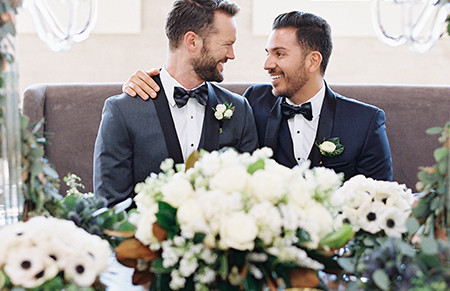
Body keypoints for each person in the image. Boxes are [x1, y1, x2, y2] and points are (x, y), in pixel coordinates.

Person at [122, 10, 393, 181]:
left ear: (313, 61)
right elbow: (193, 86)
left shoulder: (365, 121)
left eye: (280, 54)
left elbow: (379, 203)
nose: (267, 65)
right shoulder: (252, 103)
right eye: (268, 53)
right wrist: (150, 80)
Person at [94, 0, 259, 206]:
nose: (231, 55)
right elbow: (110, 204)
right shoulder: (123, 112)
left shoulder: (239, 110)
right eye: (226, 44)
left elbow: (250, 196)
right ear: (192, 41)